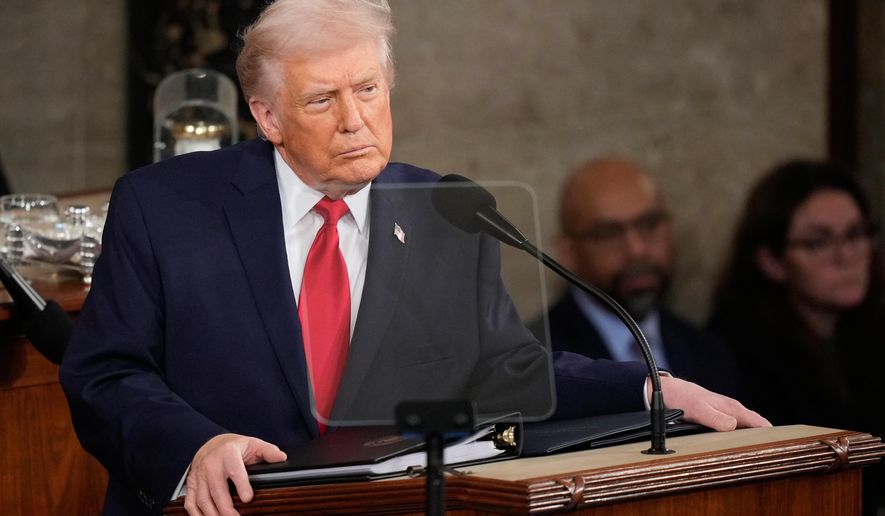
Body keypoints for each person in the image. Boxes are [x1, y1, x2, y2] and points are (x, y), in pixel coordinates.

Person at [60, 2, 767, 515]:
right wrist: (195, 447)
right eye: (321, 99)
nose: (354, 119)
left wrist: (647, 389)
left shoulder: (445, 210)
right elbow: (105, 373)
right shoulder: (164, 207)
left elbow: (503, 371)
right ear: (267, 116)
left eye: (367, 89)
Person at [707, 159, 885, 514]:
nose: (846, 255)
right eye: (820, 242)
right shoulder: (736, 348)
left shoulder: (872, 329)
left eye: (855, 234)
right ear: (772, 261)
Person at [533, 158, 742, 397]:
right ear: (568, 251)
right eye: (608, 233)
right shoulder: (536, 359)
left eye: (649, 224)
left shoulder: (709, 351)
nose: (637, 249)